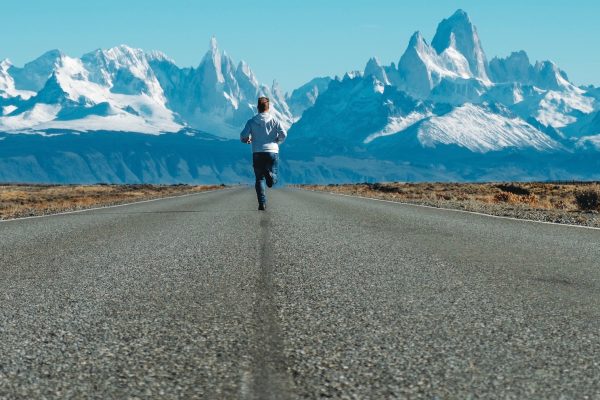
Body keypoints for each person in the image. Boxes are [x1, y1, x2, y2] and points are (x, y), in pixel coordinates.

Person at [240, 97, 287, 211]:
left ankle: (262, 204)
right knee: (273, 179)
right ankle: (270, 175)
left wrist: (247, 140)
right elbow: (283, 134)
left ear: (257, 108)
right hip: (272, 151)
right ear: (268, 107)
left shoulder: (251, 121)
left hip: (257, 152)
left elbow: (243, 135)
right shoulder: (275, 120)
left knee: (259, 179)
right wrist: (277, 140)